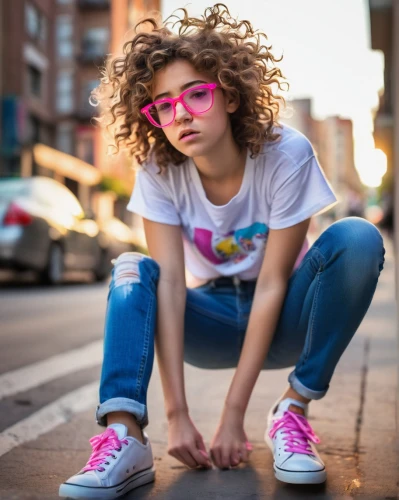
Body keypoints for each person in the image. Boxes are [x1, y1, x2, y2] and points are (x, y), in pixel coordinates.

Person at [59, 4, 385, 498]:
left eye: (196, 94)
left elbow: (276, 282)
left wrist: (234, 416)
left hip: (283, 318)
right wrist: (178, 416)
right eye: (163, 105)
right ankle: (125, 434)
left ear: (230, 94)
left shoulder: (285, 154)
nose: (180, 113)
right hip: (205, 323)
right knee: (132, 267)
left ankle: (291, 411)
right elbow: (168, 283)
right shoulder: (159, 170)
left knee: (358, 238)